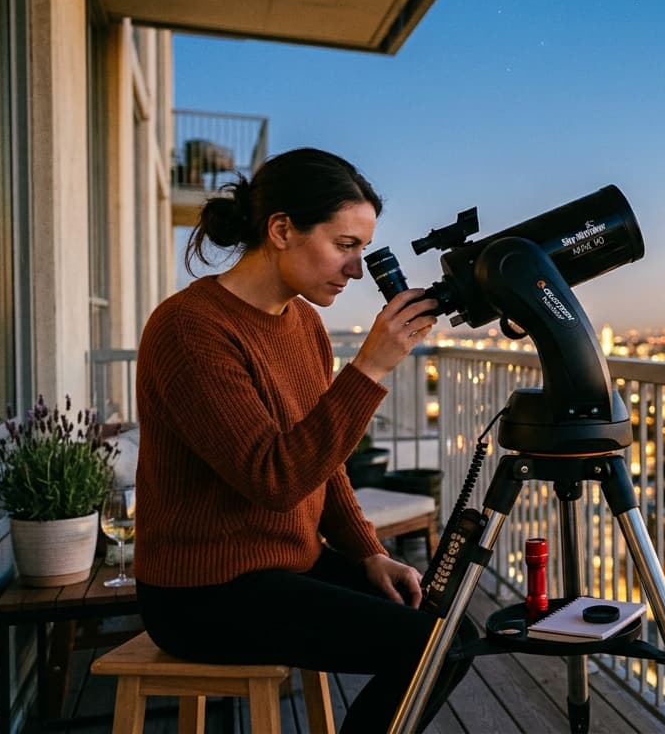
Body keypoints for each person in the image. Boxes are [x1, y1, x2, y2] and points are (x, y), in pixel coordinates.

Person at [133, 147, 474, 732]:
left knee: (455, 633)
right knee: (431, 647)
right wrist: (368, 368)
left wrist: (369, 553)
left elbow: (327, 464)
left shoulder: (304, 323)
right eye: (345, 246)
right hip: (203, 591)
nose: (357, 270)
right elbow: (273, 477)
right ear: (282, 229)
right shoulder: (191, 329)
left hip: (289, 564)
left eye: (363, 249)